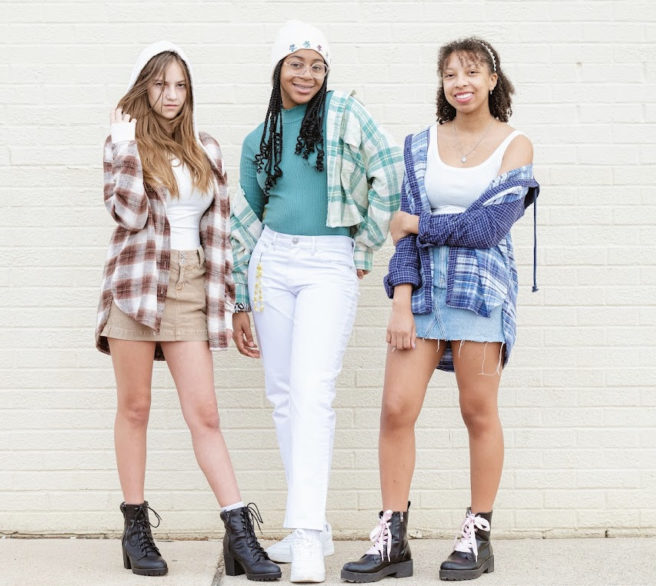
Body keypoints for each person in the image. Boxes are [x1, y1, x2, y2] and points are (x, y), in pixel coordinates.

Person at [341, 37, 539, 583]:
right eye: (451, 74)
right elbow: (402, 235)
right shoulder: (418, 143)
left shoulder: (515, 145)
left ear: (493, 80)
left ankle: (477, 534)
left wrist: (420, 224)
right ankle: (392, 539)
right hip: (423, 295)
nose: (462, 83)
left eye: (472, 72)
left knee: (478, 412)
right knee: (396, 410)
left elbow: (488, 228)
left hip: (480, 294)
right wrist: (400, 301)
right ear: (442, 84)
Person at [95, 40, 280, 581]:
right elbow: (127, 214)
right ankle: (135, 528)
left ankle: (238, 532)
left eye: (179, 85)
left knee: (205, 414)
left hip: (190, 282)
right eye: (159, 84)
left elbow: (219, 236)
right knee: (135, 408)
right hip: (136, 284)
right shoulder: (122, 144)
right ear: (142, 89)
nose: (170, 95)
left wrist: (231, 302)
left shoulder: (207, 148)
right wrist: (126, 143)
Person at [230, 20, 402, 584]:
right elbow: (248, 217)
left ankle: (305, 537)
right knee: (282, 395)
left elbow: (390, 175)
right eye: (297, 62)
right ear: (278, 68)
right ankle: (316, 526)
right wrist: (239, 296)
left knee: (312, 393)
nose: (307, 73)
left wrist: (365, 243)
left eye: (317, 64)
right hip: (273, 263)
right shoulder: (260, 138)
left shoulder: (346, 115)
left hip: (329, 261)